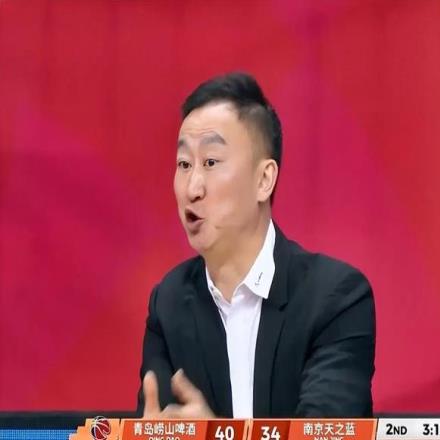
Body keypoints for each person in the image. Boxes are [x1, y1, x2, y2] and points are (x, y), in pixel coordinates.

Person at [137, 72, 375, 419]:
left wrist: (216, 436)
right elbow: (158, 419)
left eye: (211, 162)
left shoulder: (335, 297)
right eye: (184, 164)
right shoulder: (169, 303)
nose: (192, 188)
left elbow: (324, 431)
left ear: (264, 180)